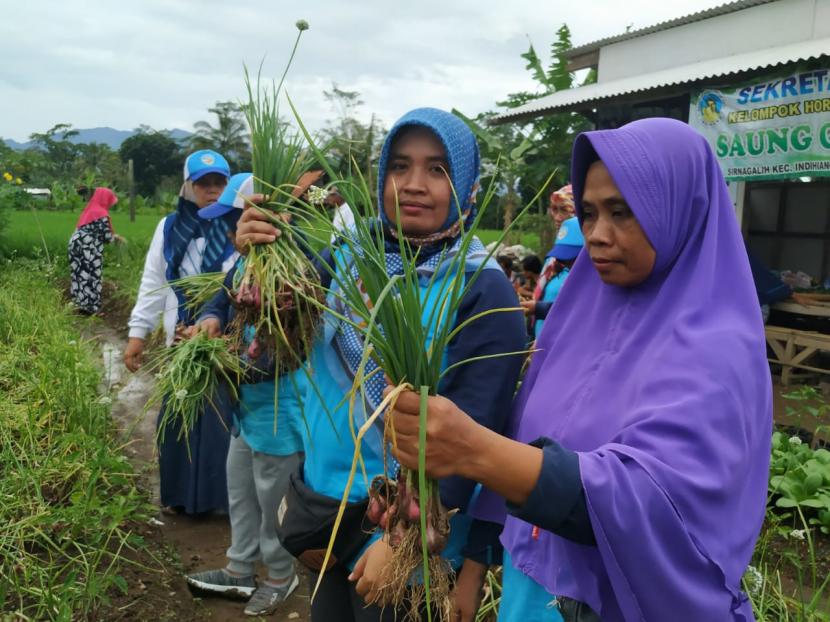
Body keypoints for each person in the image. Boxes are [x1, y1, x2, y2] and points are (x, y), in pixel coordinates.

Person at [388, 118, 771, 621]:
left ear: (682, 209)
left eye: (623, 212)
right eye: (588, 213)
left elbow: (653, 502)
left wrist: (473, 449)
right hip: (531, 595)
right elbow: (526, 438)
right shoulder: (580, 314)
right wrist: (477, 567)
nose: (596, 235)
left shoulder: (718, 350)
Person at [234, 107, 527, 622]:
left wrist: (406, 538)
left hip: (412, 533)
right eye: (399, 166)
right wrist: (256, 261)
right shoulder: (345, 256)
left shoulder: (483, 289)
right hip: (326, 508)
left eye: (437, 169)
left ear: (467, 185)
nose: (413, 185)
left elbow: (473, 431)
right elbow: (276, 350)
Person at [183, 171, 304, 616]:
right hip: (244, 408)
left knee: (273, 495)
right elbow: (222, 297)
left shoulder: (292, 265)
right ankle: (238, 570)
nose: (235, 227)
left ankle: (279, 576)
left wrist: (232, 361)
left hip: (277, 408)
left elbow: (281, 348)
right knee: (241, 489)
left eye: (237, 216)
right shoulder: (242, 261)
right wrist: (212, 322)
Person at [124, 149, 239, 515]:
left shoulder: (238, 226)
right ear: (187, 186)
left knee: (221, 421)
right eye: (203, 183)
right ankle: (179, 499)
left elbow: (242, 286)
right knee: (177, 418)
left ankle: (220, 505)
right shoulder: (170, 228)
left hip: (224, 342)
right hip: (179, 343)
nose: (212, 190)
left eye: (220, 182)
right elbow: (154, 282)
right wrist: (137, 334)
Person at [521, 216, 584, 340]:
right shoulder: (557, 271)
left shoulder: (602, 285)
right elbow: (568, 308)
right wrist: (538, 308)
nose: (566, 264)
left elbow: (580, 315)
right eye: (562, 260)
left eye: (572, 258)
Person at [68, 187, 124, 314]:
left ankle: (80, 304)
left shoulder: (89, 210)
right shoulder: (101, 213)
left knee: (79, 274)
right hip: (88, 247)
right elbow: (106, 236)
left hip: (75, 244)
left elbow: (93, 230)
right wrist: (115, 238)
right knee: (92, 274)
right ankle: (91, 308)